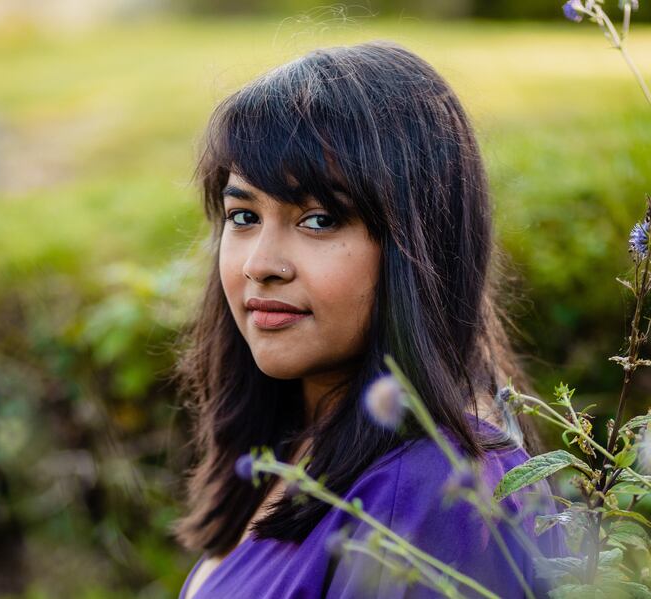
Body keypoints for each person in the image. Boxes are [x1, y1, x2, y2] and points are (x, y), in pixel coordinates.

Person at [169, 40, 566, 599]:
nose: (259, 264)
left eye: (319, 219)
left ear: (418, 246)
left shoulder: (437, 493)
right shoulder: (293, 439)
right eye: (243, 216)